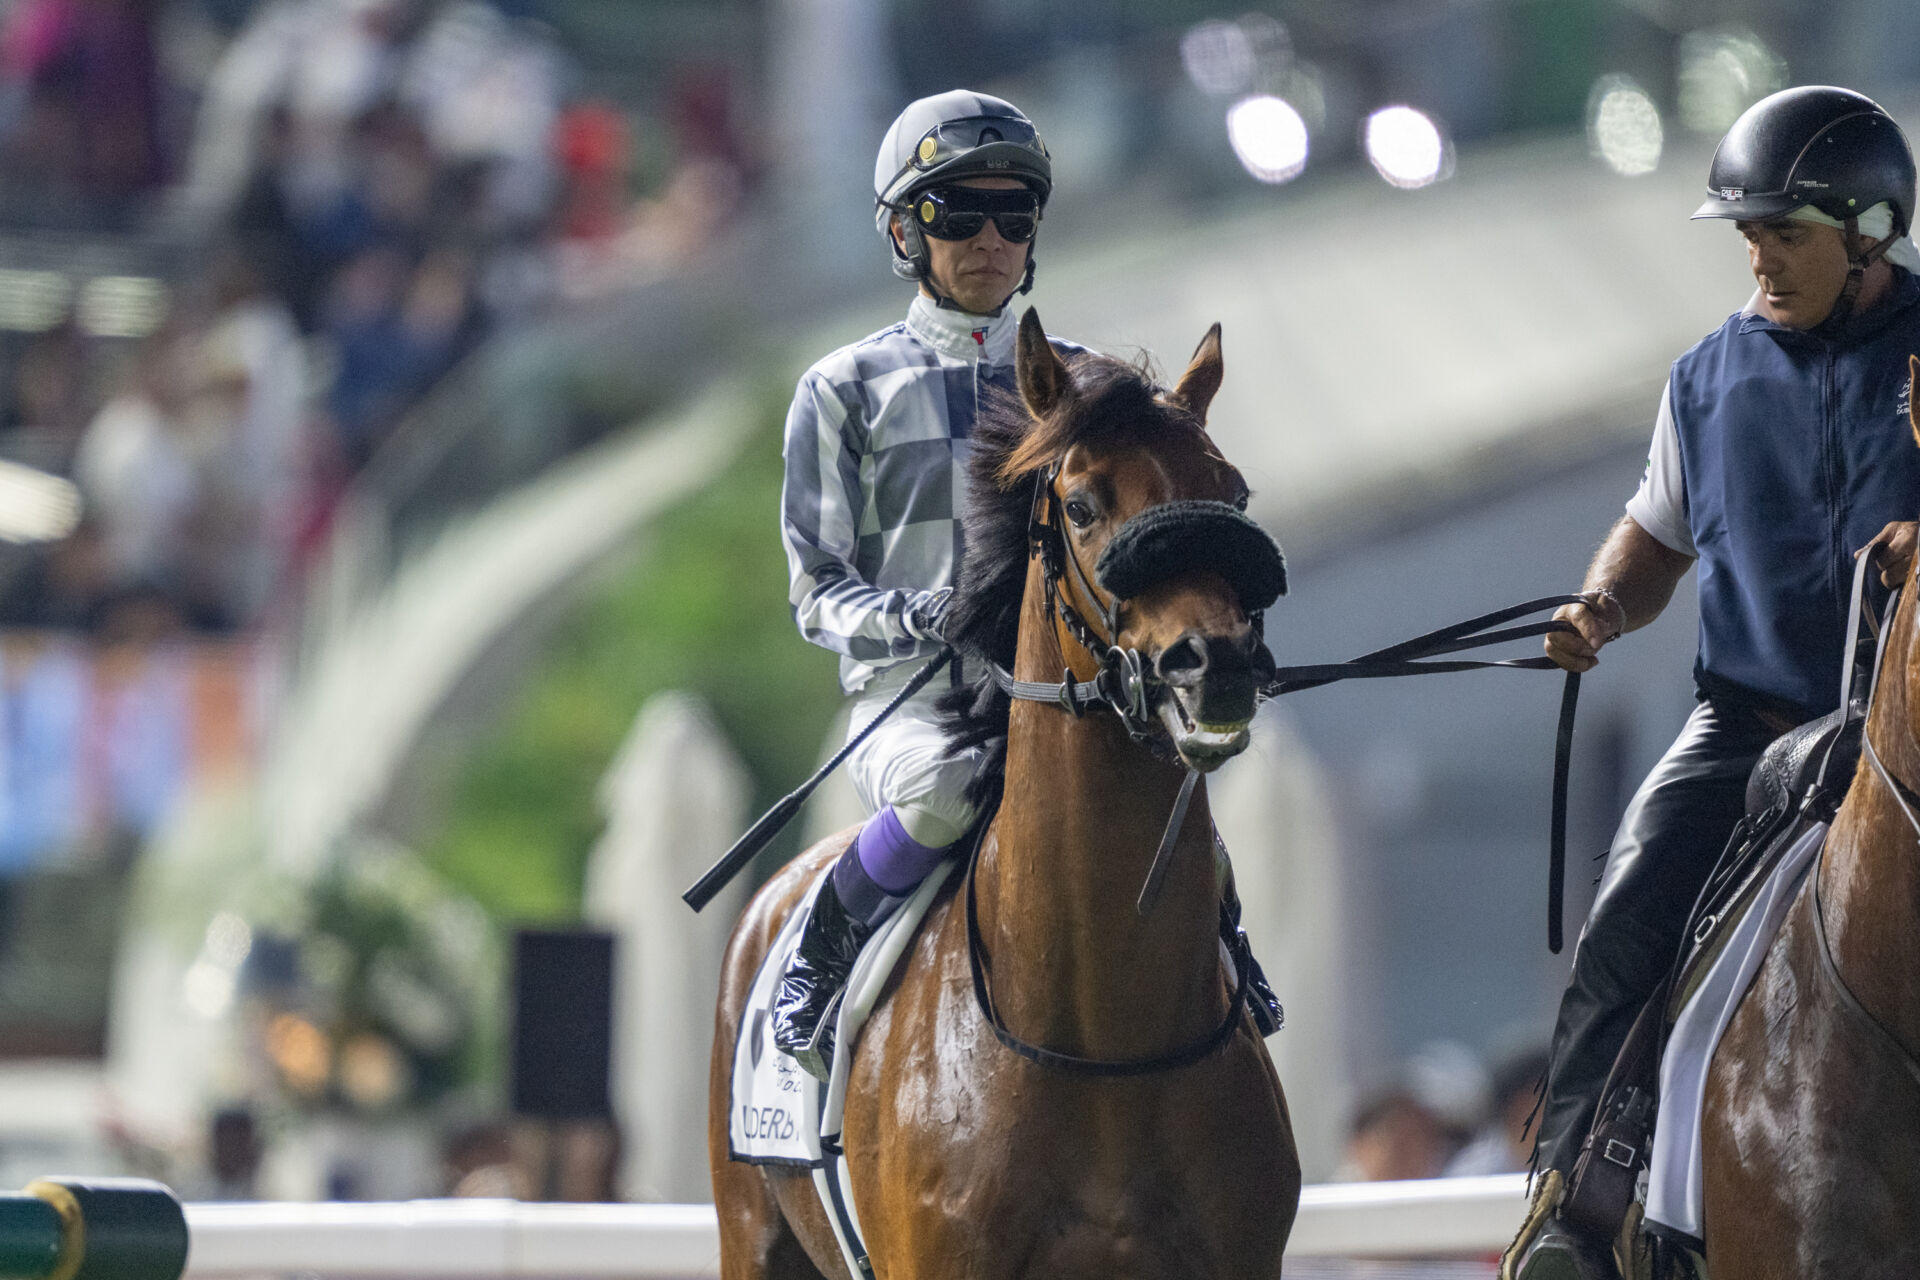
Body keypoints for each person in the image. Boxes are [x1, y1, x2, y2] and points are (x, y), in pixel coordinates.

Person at [772, 89, 1282, 1081]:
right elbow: (816, 588)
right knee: (949, 788)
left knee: (1172, 792)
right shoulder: (841, 388)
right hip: (912, 701)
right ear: (903, 232)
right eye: (958, 216)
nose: (991, 239)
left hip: (1073, 686)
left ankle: (1228, 950)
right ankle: (819, 953)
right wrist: (933, 619)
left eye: (1014, 216)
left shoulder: (1093, 386)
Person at [1509, 85, 1920, 1280]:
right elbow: (1652, 538)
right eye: (1748, 233)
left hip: (1907, 735)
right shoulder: (1706, 377)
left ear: (1870, 233)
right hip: (1752, 727)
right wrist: (1598, 605)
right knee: (1622, 918)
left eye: (1783, 232)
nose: (1759, 256)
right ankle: (1570, 1212)